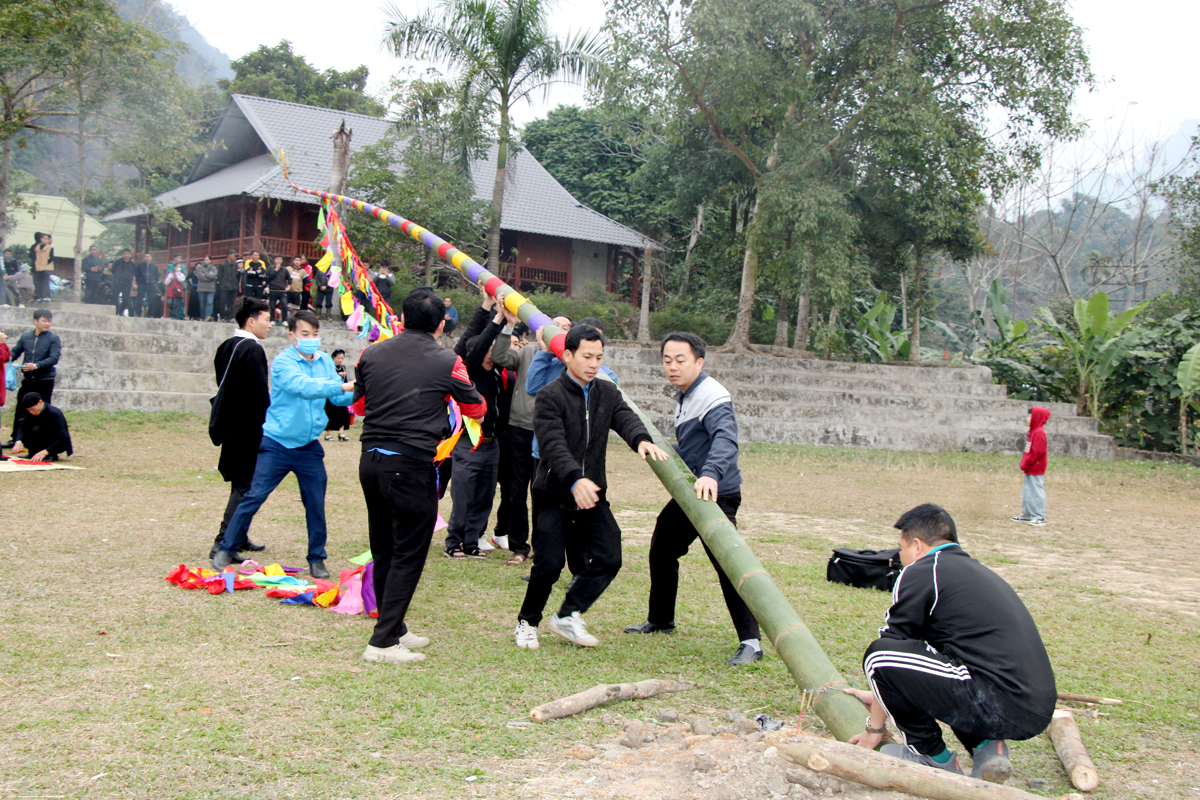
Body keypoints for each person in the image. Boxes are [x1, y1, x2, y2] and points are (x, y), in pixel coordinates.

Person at [845, 503, 1056, 783]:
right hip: (1032, 709)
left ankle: (930, 756)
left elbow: (891, 655)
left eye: (902, 547)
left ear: (917, 546)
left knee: (878, 656)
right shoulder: (973, 571)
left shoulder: (923, 571)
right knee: (951, 661)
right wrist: (883, 698)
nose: (900, 556)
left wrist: (874, 728)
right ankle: (988, 748)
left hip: (997, 702)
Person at [514, 325, 669, 650]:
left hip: (592, 494)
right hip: (555, 494)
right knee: (549, 564)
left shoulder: (606, 392)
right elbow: (553, 443)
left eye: (599, 357)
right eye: (587, 356)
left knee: (610, 556)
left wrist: (641, 440)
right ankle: (527, 621)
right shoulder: (550, 396)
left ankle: (568, 615)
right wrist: (574, 477)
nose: (593, 363)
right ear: (567, 355)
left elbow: (625, 417)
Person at [355, 287, 486, 665]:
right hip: (409, 465)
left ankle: (394, 628)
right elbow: (476, 406)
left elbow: (360, 406)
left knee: (383, 550)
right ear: (441, 323)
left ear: (402, 316)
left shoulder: (371, 352)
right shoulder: (447, 360)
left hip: (371, 461)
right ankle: (381, 643)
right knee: (408, 553)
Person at [623, 332, 763, 666]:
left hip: (716, 493)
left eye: (680, 360)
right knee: (662, 548)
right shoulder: (687, 394)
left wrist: (711, 473)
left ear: (699, 362)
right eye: (667, 360)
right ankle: (661, 619)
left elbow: (725, 439)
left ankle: (751, 643)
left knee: (729, 564)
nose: (672, 366)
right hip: (692, 493)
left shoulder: (713, 395)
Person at [212, 310, 355, 579]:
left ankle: (317, 559)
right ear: (292, 336)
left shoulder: (325, 361)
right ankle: (225, 548)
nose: (311, 338)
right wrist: (344, 387)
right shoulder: (282, 363)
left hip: (308, 447)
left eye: (315, 334)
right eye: (304, 334)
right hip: (277, 443)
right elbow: (304, 387)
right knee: (254, 495)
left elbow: (336, 399)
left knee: (315, 502)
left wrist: (361, 395)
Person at [207, 298, 273, 562]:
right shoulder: (252, 350)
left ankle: (239, 535)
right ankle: (223, 541)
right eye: (267, 320)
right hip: (247, 427)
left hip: (230, 424)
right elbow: (258, 395)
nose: (270, 325)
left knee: (241, 483)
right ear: (251, 320)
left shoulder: (227, 346)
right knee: (245, 486)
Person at [444, 295, 509, 559]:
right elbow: (477, 340)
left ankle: (472, 542)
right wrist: (496, 317)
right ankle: (453, 543)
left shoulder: (497, 374)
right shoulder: (469, 371)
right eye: (487, 350)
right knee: (463, 497)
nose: (491, 354)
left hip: (492, 445)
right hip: (469, 444)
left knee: (485, 496)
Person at [488, 308, 540, 565]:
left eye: (565, 328)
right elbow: (498, 356)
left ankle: (543, 546)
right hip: (518, 430)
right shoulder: (528, 352)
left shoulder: (569, 359)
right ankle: (520, 547)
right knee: (516, 491)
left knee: (542, 493)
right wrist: (508, 326)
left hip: (548, 434)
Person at [4, 309, 61, 446]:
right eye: (44, 320)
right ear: (35, 321)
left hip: (44, 380)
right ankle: (16, 439)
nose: (47, 323)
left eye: (49, 321)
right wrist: (6, 356)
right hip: (28, 380)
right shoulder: (26, 337)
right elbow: (15, 352)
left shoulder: (53, 338)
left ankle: (41, 440)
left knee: (43, 411)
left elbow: (53, 358)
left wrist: (36, 366)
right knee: (21, 409)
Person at [1012, 407, 1050, 526]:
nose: (1027, 419)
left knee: (1035, 492)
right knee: (1028, 491)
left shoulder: (1039, 433)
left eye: (1029, 416)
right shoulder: (1033, 432)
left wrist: (1027, 462)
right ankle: (1027, 514)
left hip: (1035, 468)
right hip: (1029, 468)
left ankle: (1039, 516)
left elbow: (1037, 452)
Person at [12, 392, 72, 461]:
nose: (31, 412)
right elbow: (23, 426)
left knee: (38, 429)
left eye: (33, 409)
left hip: (54, 442)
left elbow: (63, 436)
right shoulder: (30, 413)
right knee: (27, 426)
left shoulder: (55, 413)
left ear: (40, 402)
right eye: (29, 410)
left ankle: (50, 454)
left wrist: (46, 451)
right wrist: (18, 441)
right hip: (39, 440)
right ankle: (33, 452)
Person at [324, 349, 352, 441]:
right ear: (333, 357)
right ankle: (327, 433)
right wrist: (338, 375)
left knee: (343, 413)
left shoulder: (343, 367)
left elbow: (346, 381)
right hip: (332, 393)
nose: (340, 360)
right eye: (338, 358)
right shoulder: (330, 367)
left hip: (341, 393)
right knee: (330, 413)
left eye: (342, 358)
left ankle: (341, 432)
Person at [215, 249, 240, 322]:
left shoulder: (235, 264)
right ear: (228, 255)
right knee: (223, 302)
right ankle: (223, 317)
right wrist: (222, 284)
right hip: (224, 286)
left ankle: (231, 317)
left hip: (233, 286)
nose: (234, 256)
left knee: (232, 302)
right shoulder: (222, 265)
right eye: (233, 254)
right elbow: (219, 276)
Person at [111, 248, 138, 316]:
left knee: (126, 299)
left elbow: (135, 273)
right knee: (115, 298)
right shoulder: (117, 262)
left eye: (128, 254)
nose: (126, 255)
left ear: (130, 255)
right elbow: (113, 270)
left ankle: (120, 311)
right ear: (123, 254)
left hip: (127, 284)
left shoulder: (132, 264)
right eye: (125, 253)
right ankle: (115, 312)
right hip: (117, 282)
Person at [266, 255, 289, 325]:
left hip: (282, 291)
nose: (279, 261)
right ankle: (272, 319)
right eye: (277, 259)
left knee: (284, 305)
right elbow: (269, 277)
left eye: (280, 259)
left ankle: (284, 320)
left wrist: (289, 286)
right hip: (273, 290)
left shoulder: (284, 269)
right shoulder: (270, 268)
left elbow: (289, 278)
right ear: (274, 260)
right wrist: (276, 269)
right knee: (272, 306)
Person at [30, 232, 53, 302]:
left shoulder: (49, 248)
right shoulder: (36, 247)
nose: (46, 240)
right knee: (39, 283)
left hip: (45, 267)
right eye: (44, 238)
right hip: (38, 267)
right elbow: (33, 256)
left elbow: (51, 258)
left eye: (47, 239)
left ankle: (45, 296)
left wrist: (45, 263)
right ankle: (40, 296)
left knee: (44, 282)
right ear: (41, 239)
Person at [135, 253, 157, 318]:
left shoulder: (154, 266)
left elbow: (156, 275)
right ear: (144, 258)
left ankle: (150, 314)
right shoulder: (140, 265)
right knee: (139, 299)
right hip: (142, 284)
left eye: (148, 256)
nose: (147, 258)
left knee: (151, 300)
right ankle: (138, 313)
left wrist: (154, 282)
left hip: (151, 284)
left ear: (151, 257)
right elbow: (137, 275)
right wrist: (139, 282)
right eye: (146, 256)